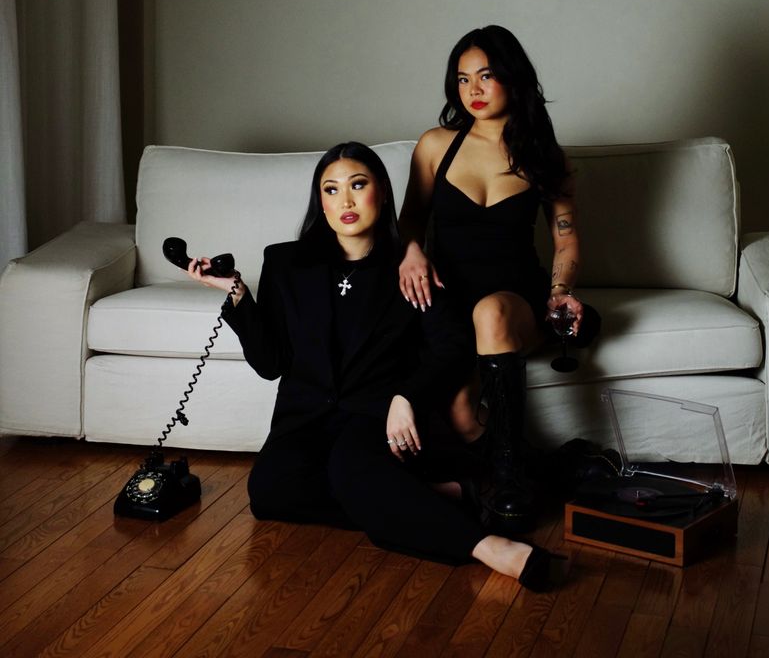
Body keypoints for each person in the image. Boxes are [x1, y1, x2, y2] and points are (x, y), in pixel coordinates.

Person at [184, 141, 564, 590]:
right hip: (306, 417)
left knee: (351, 469)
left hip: (377, 416)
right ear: (320, 202)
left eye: (357, 185)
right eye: (330, 190)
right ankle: (432, 496)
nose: (344, 201)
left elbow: (453, 346)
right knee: (269, 491)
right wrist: (237, 295)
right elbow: (271, 364)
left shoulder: (412, 267)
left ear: (382, 192)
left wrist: (407, 397)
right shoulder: (286, 263)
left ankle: (487, 546)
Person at [398, 25, 599, 527]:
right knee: (463, 417)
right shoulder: (435, 145)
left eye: (486, 76)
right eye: (463, 79)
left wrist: (560, 293)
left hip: (514, 301)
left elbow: (566, 239)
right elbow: (410, 221)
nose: (474, 90)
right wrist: (412, 253)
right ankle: (551, 467)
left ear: (512, 77)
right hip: (449, 303)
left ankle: (510, 481)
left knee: (491, 312)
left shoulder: (545, 156)